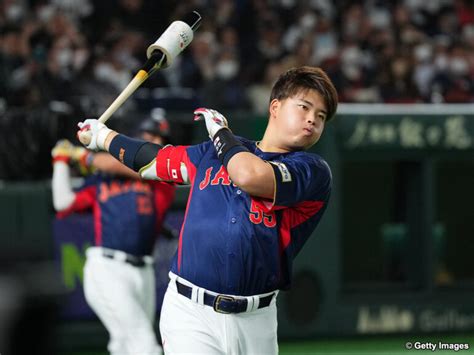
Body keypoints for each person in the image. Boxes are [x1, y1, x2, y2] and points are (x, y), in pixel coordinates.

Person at [76, 65, 338, 354]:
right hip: (190, 312)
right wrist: (103, 137)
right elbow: (153, 161)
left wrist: (221, 133)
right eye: (304, 107)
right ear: (275, 106)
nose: (312, 118)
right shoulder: (213, 152)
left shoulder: (312, 171)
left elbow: (249, 175)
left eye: (321, 116)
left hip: (257, 320)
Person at [52, 113, 176, 355]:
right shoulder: (102, 179)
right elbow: (63, 202)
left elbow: (121, 164)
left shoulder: (162, 177)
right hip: (107, 268)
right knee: (144, 345)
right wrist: (60, 162)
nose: (156, 141)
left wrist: (84, 156)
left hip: (144, 271)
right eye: (150, 135)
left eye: (161, 137)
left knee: (124, 345)